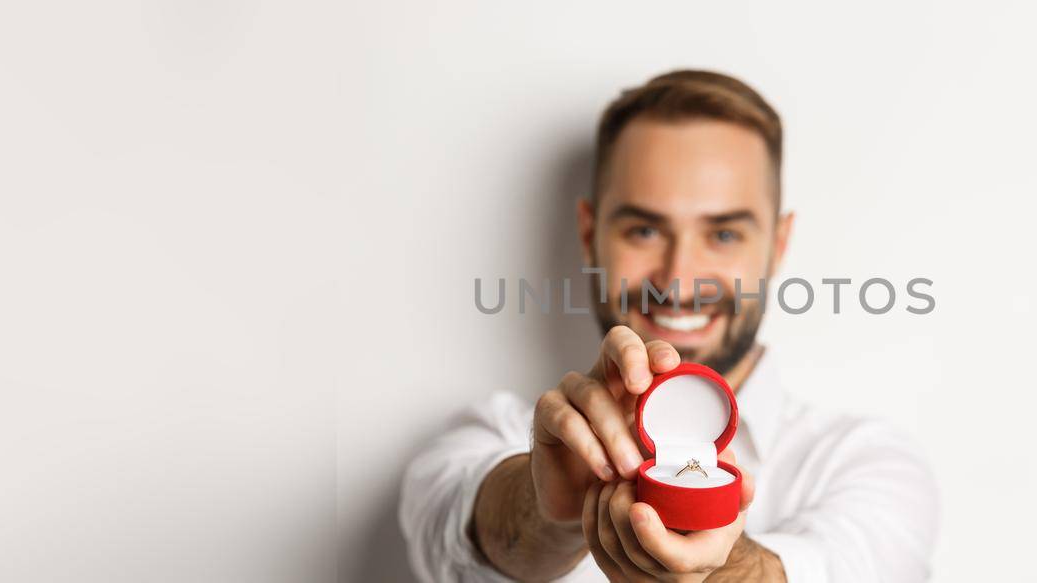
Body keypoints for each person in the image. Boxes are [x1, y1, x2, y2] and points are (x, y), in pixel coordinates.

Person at [401, 70, 938, 582]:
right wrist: (548, 510)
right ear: (590, 236)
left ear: (777, 246)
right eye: (643, 229)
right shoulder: (487, 435)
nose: (678, 281)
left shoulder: (865, 463)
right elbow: (465, 537)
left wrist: (719, 564)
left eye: (724, 235)